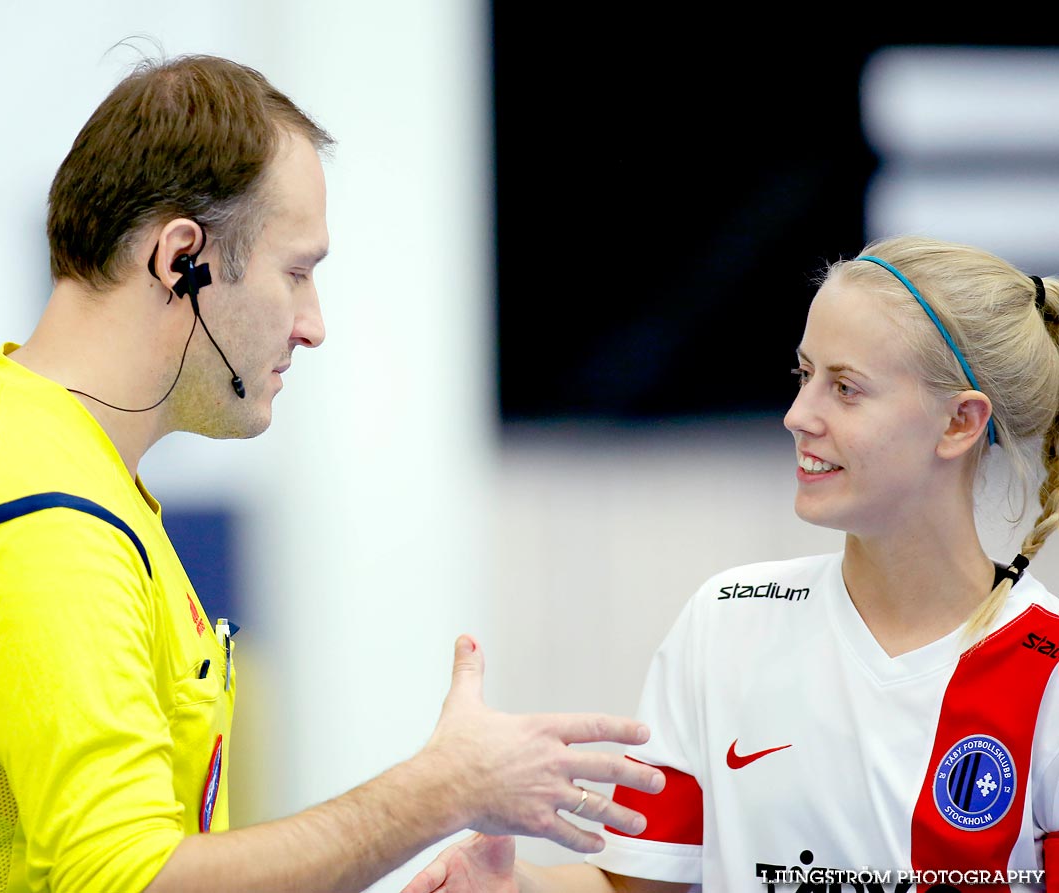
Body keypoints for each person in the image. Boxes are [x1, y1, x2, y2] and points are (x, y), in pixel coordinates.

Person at [0, 53, 666, 893]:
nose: (314, 325)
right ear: (179, 257)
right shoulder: (43, 518)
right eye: (297, 272)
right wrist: (442, 788)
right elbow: (136, 878)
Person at [401, 235, 1059, 892]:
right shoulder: (728, 620)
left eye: (846, 388)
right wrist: (511, 888)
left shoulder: (1047, 668)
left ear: (959, 423)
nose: (798, 415)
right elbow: (633, 884)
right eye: (805, 376)